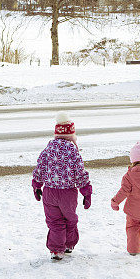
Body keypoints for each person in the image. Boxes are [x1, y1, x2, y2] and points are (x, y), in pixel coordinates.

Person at [32, 112, 92, 261]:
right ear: (72, 134)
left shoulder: (49, 148)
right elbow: (80, 173)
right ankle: (68, 245)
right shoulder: (73, 150)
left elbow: (40, 167)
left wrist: (37, 185)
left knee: (55, 222)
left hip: (50, 192)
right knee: (70, 219)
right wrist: (86, 192)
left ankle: (56, 251)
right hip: (67, 194)